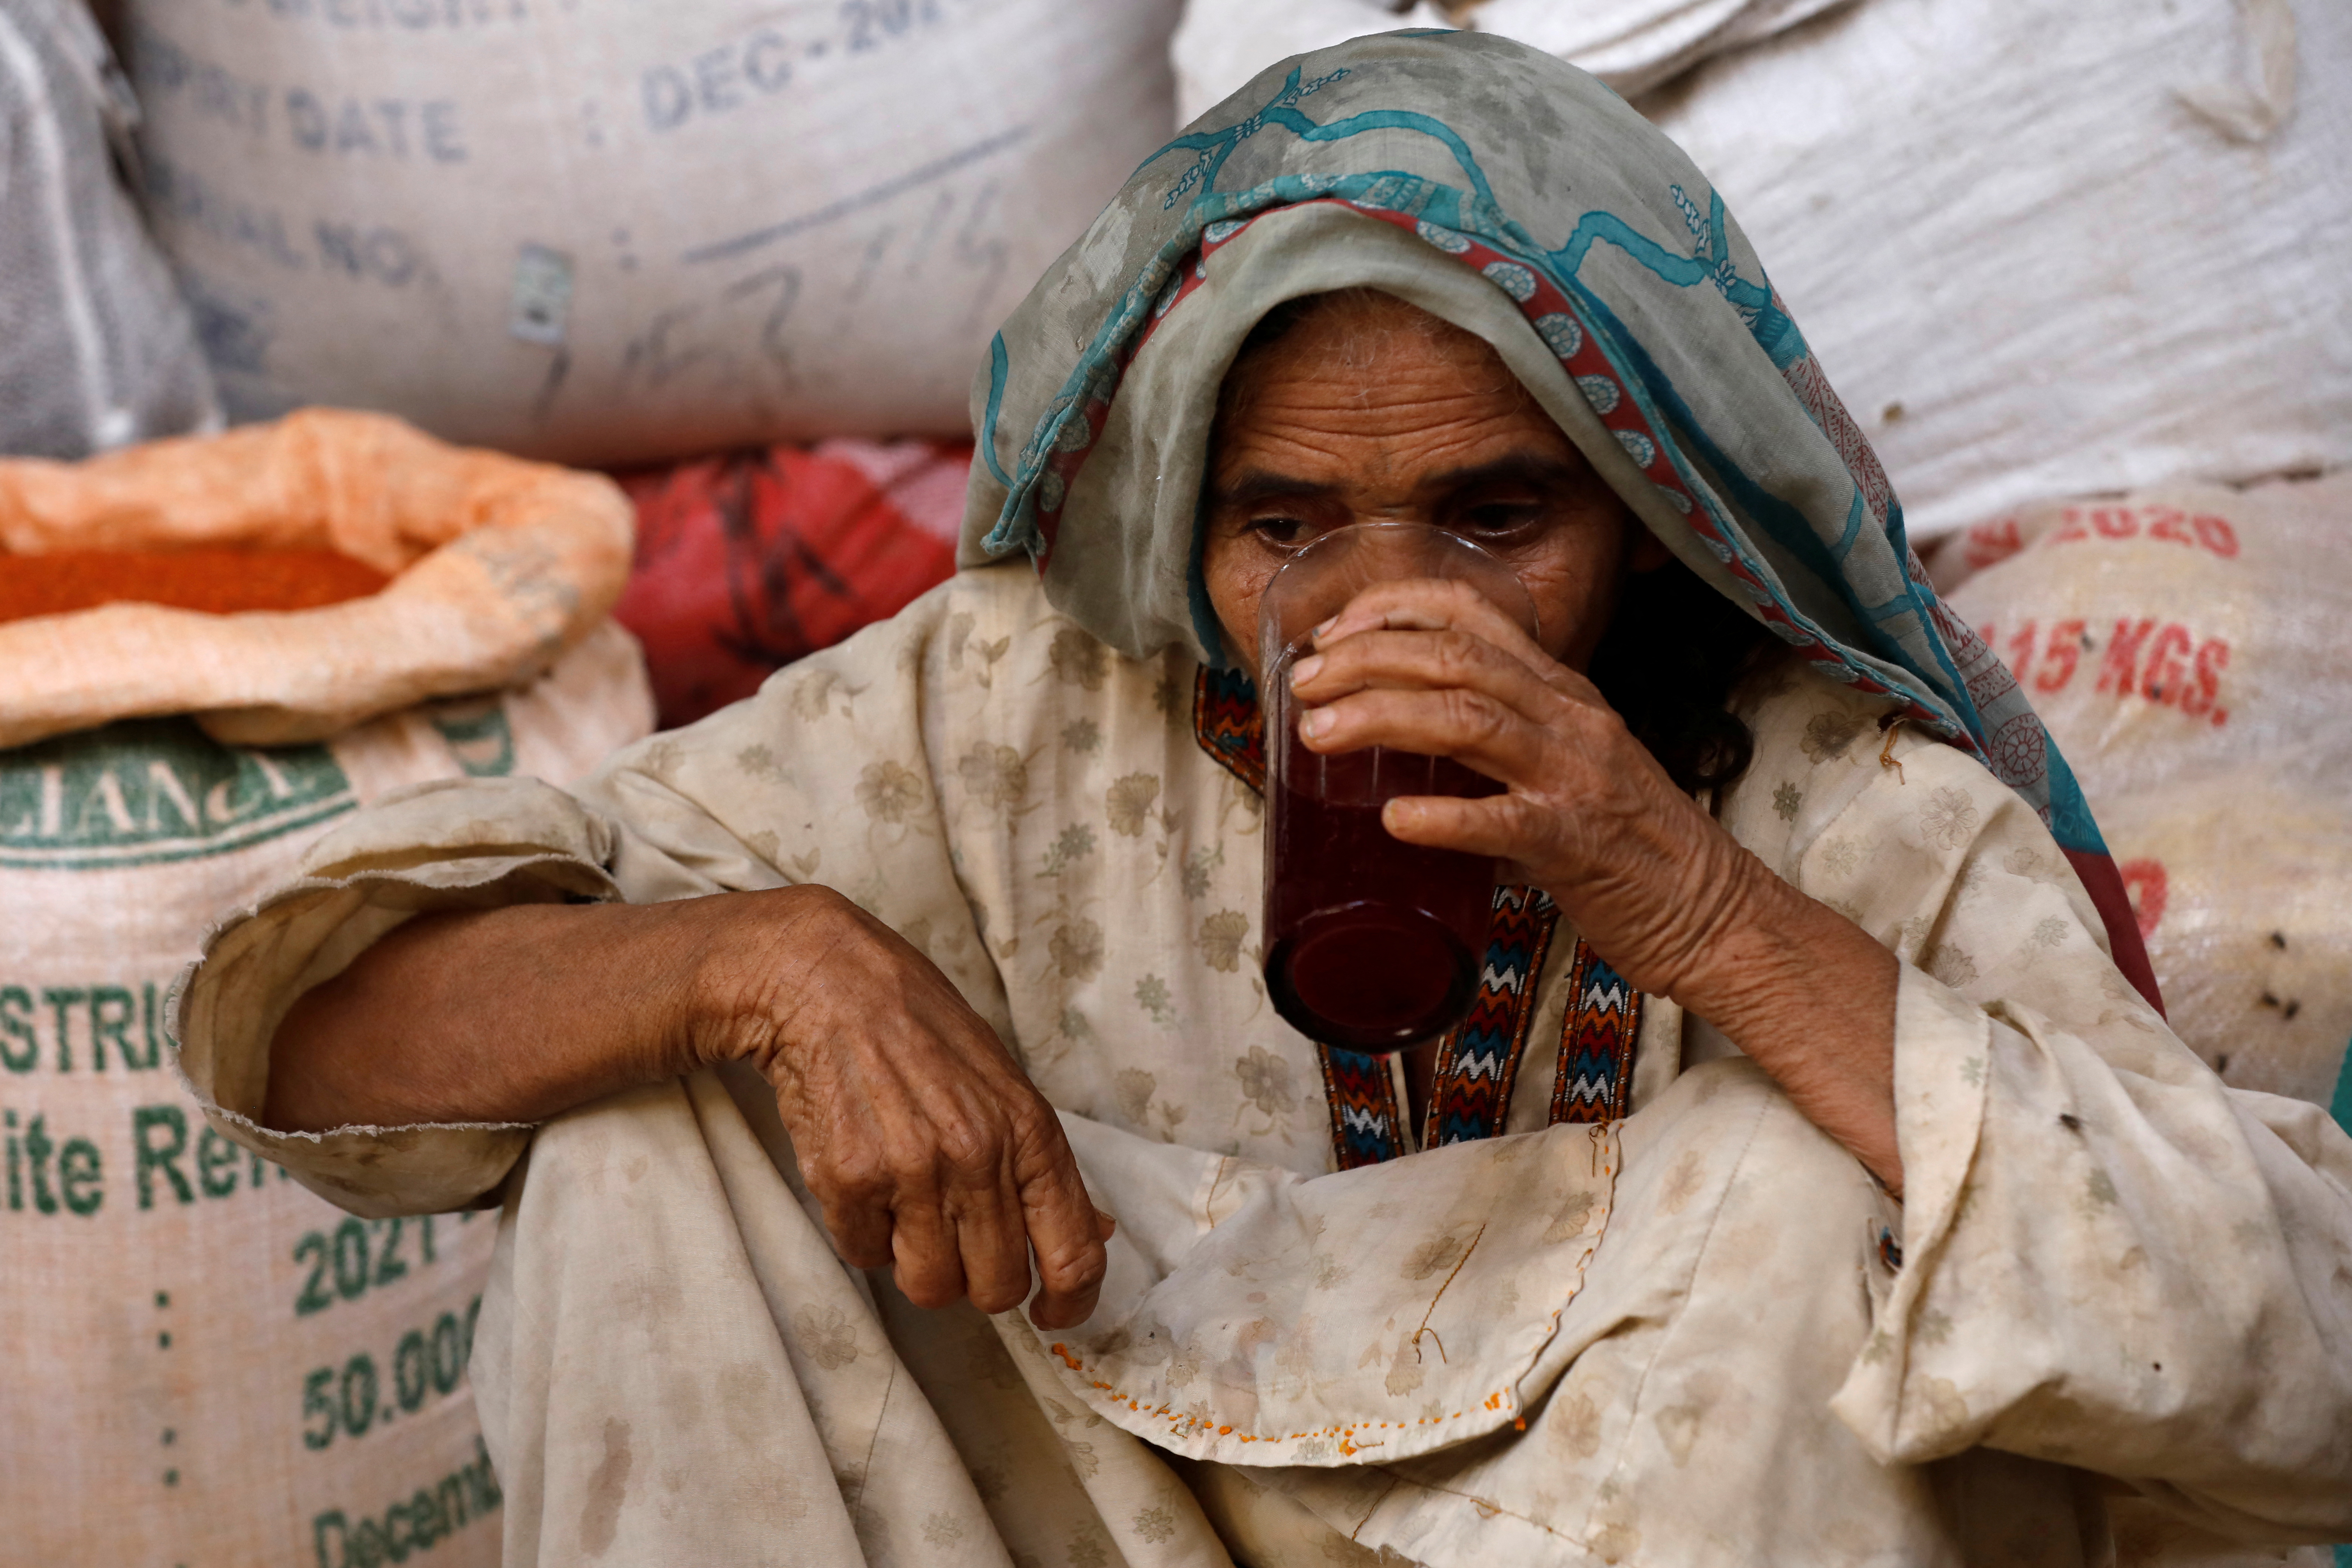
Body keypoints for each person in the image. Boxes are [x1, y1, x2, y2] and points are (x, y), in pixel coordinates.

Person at [176, 30, 2352, 1566]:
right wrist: (768, 961)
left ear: (1643, 508)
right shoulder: (1002, 715)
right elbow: (320, 1027)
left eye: (1496, 519)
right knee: (651, 1105)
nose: (1376, 605)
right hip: (1094, 1504)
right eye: (1284, 526)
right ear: (1171, 528)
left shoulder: (1822, 787)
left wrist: (1681, 907)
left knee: (1810, 1203)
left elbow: (2301, 1356)